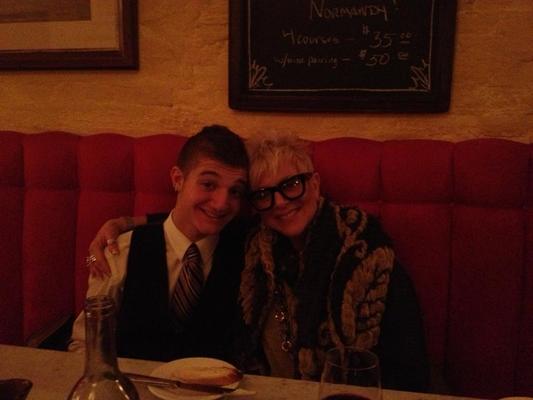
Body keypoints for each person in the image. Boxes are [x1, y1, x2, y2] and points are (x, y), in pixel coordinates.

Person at [88, 133, 430, 391]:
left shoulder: (366, 255)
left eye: (292, 185)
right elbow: (187, 222)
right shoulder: (256, 247)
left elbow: (411, 371)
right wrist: (124, 224)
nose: (279, 202)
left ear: (315, 183)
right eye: (264, 194)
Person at [69, 125, 250, 362]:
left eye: (235, 191)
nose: (221, 204)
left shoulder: (249, 253)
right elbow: (86, 345)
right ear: (178, 179)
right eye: (208, 184)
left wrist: (125, 221)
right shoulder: (122, 250)